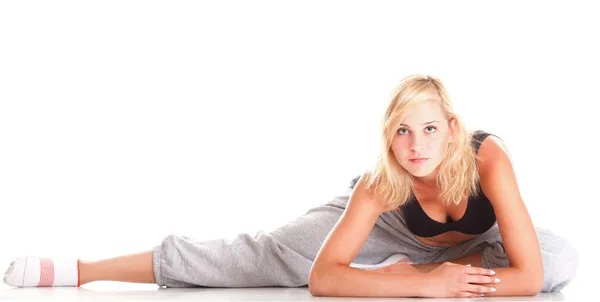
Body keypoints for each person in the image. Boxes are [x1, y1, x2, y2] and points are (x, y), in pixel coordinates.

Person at [3, 74, 578, 298]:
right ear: (388, 139)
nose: (417, 146)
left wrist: (459, 274)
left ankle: (452, 260)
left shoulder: (488, 159)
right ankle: (83, 269)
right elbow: (324, 280)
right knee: (261, 258)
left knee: (558, 259)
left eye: (430, 129)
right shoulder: (384, 182)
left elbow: (528, 276)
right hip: (383, 232)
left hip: (466, 246)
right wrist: (424, 283)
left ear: (453, 129)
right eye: (402, 132)